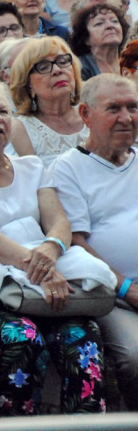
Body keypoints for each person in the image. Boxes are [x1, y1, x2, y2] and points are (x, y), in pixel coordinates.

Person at [0, 80, 107, 415]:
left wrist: (51, 253)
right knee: (23, 340)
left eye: (3, 111)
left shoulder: (32, 167)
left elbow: (58, 223)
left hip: (47, 278)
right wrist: (39, 268)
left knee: (83, 339)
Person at [49, 74, 138, 410]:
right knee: (135, 356)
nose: (126, 118)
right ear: (85, 114)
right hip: (113, 294)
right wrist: (127, 288)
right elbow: (76, 243)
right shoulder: (68, 169)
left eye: (133, 107)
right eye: (113, 108)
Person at [5, 38, 87, 165]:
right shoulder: (20, 129)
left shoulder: (92, 115)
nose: (57, 70)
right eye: (43, 67)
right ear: (28, 85)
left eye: (63, 61)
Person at [70, 0, 126, 80]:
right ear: (86, 38)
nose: (110, 26)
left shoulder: (132, 60)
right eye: (99, 23)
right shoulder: (80, 68)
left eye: (114, 21)